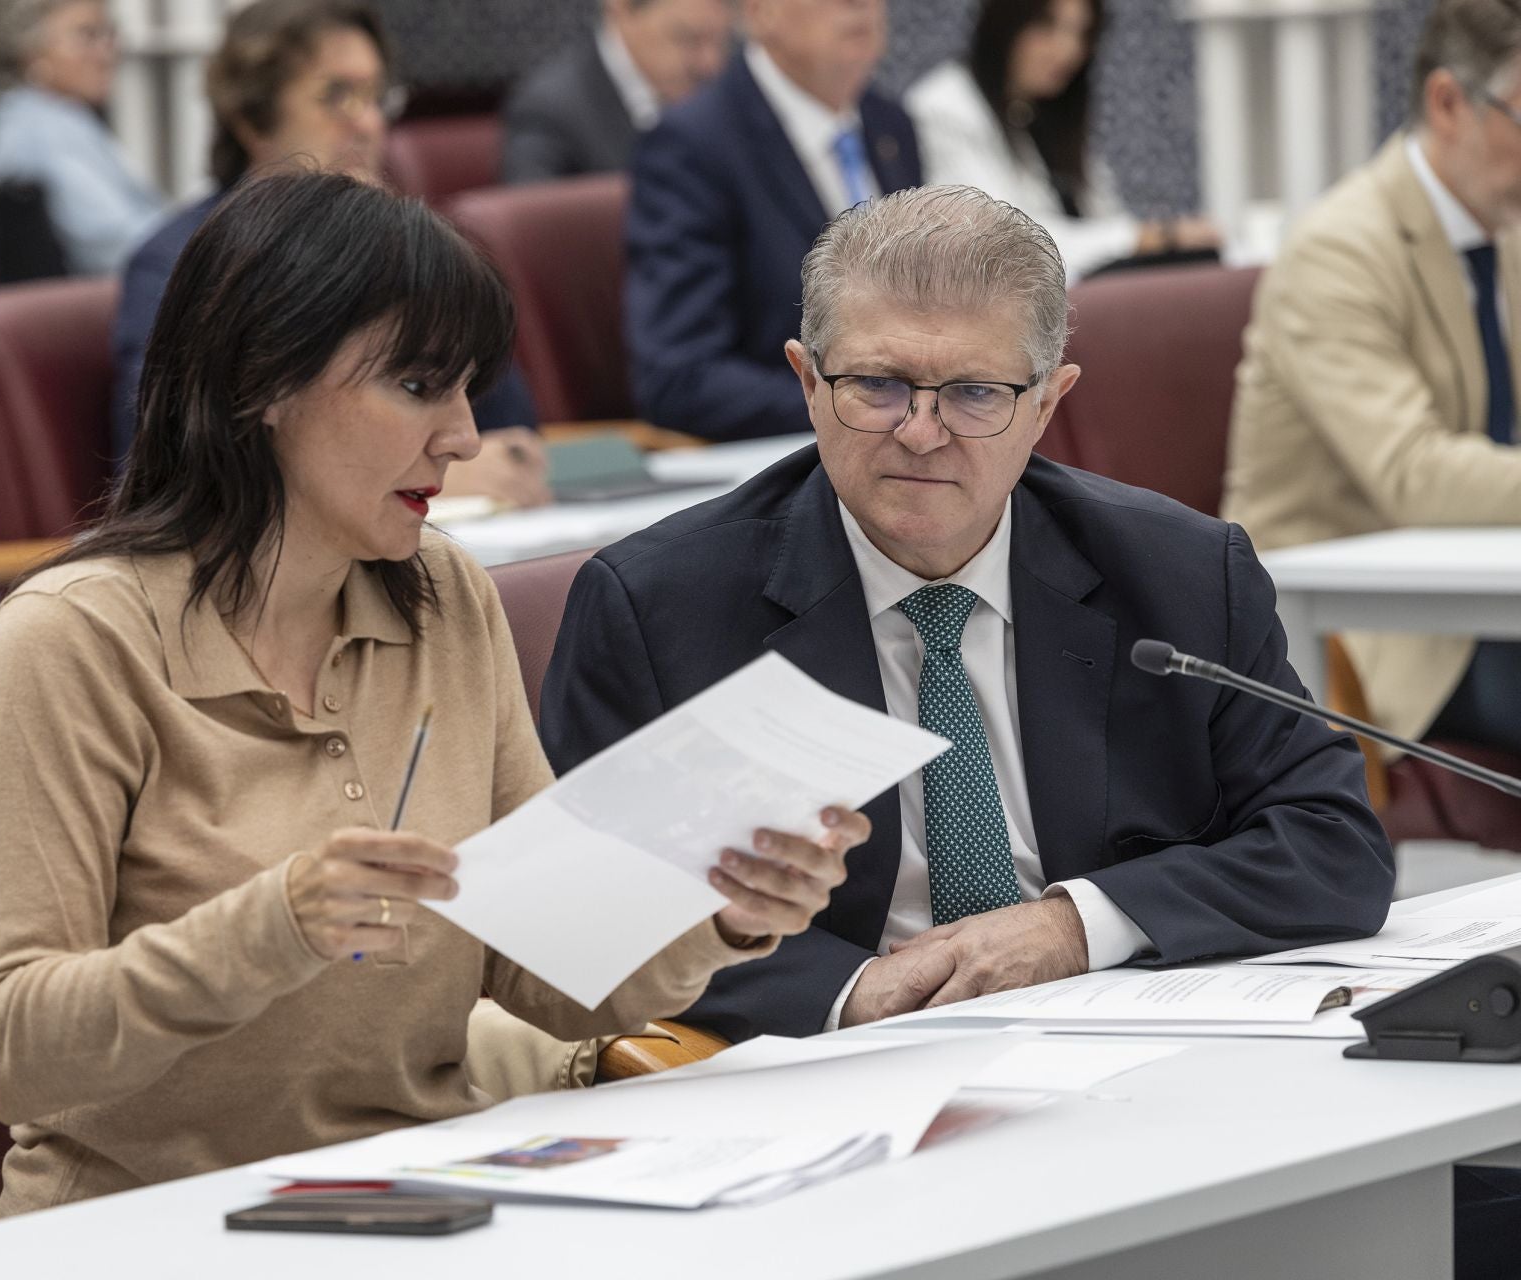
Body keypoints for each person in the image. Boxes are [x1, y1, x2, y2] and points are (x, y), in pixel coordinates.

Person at [0, 170, 866, 1214]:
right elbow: (10, 1047)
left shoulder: (446, 596)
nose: (466, 437)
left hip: (423, 1198)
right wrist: (273, 926)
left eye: (468, 388)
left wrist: (720, 909)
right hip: (149, 1219)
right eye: (420, 385)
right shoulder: (74, 641)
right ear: (264, 381)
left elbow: (549, 974)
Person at [543, 184, 1393, 1045]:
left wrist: (1075, 928)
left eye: (975, 395)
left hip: (1127, 1044)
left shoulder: (1181, 574)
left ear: (1047, 406)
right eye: (877, 386)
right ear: (806, 382)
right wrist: (855, 994)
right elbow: (591, 911)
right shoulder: (658, 606)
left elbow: (1332, 844)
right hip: (826, 1076)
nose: (920, 432)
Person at [1225, 0, 1521, 773]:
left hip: (1485, 590)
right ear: (1450, 103)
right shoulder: (1339, 247)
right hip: (1368, 632)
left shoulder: (1506, 229)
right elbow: (1414, 476)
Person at [111, 0, 548, 508]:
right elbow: (179, 463)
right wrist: (426, 478)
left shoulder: (415, 250)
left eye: (376, 97)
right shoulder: (179, 263)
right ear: (254, 118)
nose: (366, 123)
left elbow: (512, 426)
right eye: (337, 95)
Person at [625, 0, 920, 442]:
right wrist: (857, 407)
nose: (861, 5)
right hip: (785, 452)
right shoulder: (694, 144)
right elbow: (679, 375)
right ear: (760, 12)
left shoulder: (889, 123)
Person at [903, 0, 1217, 284]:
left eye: (1081, 33)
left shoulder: (1044, 113)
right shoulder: (945, 106)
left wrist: (1159, 239)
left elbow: (1102, 215)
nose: (1068, 50)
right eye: (1048, 26)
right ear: (1005, 21)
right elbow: (1001, 241)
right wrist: (1152, 236)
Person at [0, 0, 168, 275]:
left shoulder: (64, 118)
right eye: (87, 36)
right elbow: (115, 242)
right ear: (32, 52)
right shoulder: (39, 129)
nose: (106, 53)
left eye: (110, 34)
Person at [500, 0, 736, 184]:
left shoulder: (727, 95)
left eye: (721, 41)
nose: (711, 63)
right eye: (688, 39)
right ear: (622, 7)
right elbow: (541, 230)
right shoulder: (549, 110)